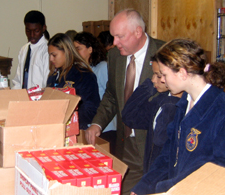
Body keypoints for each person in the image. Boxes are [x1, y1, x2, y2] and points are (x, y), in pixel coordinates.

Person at [130, 38, 225, 195]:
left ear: (182, 73)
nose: (162, 80)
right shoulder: (183, 104)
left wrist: (173, 188)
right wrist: (144, 186)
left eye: (164, 74)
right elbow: (168, 154)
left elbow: (224, 170)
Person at [84, 8, 165, 194]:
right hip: (126, 142)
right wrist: (97, 123)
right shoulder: (114, 56)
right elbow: (112, 95)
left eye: (120, 36)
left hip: (156, 143)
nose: (114, 42)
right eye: (113, 37)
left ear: (138, 32)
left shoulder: (164, 53)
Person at [122, 56, 182, 175]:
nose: (153, 79)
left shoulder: (174, 106)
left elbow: (162, 144)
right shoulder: (161, 100)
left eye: (159, 76)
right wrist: (148, 88)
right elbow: (129, 117)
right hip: (151, 173)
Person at [74, 31, 117, 155]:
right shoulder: (81, 71)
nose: (75, 53)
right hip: (88, 127)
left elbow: (111, 96)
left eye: (79, 49)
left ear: (90, 49)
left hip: (105, 128)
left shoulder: (102, 67)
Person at [46, 33, 100, 130]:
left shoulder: (84, 75)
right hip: (54, 128)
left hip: (76, 129)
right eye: (49, 55)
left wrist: (69, 118)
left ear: (67, 52)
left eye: (54, 55)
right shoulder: (52, 76)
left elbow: (91, 109)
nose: (51, 59)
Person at [12, 10, 50, 89]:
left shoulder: (47, 50)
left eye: (36, 31)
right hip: (24, 97)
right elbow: (18, 80)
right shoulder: (24, 49)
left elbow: (47, 83)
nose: (31, 35)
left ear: (43, 28)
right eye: (28, 31)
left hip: (39, 98)